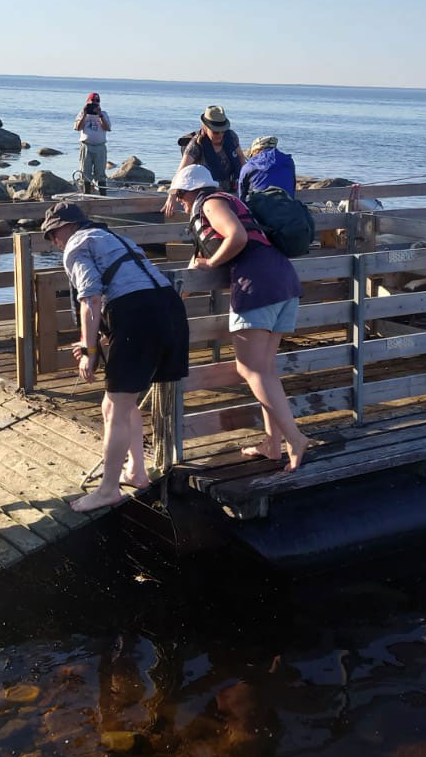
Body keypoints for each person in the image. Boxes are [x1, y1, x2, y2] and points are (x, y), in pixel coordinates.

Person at [40, 201, 190, 510]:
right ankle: (135, 470)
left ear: (68, 226)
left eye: (53, 233)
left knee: (114, 407)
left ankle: (108, 489)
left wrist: (89, 350)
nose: (53, 241)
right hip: (170, 309)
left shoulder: (76, 246)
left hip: (137, 314)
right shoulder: (117, 238)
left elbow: (91, 298)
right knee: (123, 399)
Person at [169, 164, 309, 469]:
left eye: (180, 194)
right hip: (282, 279)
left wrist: (211, 264)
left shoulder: (210, 202)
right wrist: (193, 278)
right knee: (265, 369)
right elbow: (210, 252)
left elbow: (237, 237)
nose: (179, 200)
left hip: (257, 284)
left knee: (250, 370)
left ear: (193, 190)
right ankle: (272, 444)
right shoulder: (229, 200)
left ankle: (295, 439)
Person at [163, 104, 243, 216]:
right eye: (216, 132)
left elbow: (241, 158)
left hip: (231, 191)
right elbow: (181, 172)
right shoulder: (196, 145)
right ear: (205, 127)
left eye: (223, 131)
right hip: (207, 197)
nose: (220, 135)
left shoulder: (231, 137)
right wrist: (171, 196)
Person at [73, 93, 111, 195]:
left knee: (100, 173)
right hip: (86, 146)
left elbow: (107, 128)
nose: (94, 103)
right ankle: (87, 194)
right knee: (85, 172)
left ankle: (103, 195)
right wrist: (85, 114)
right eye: (92, 101)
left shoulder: (104, 114)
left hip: (100, 147)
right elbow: (77, 128)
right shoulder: (82, 114)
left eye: (97, 101)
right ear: (87, 102)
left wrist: (100, 115)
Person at [237, 135, 296, 200]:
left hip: (259, 206)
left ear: (256, 150)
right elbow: (293, 185)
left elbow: (241, 191)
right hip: (287, 204)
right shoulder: (288, 161)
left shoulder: (250, 165)